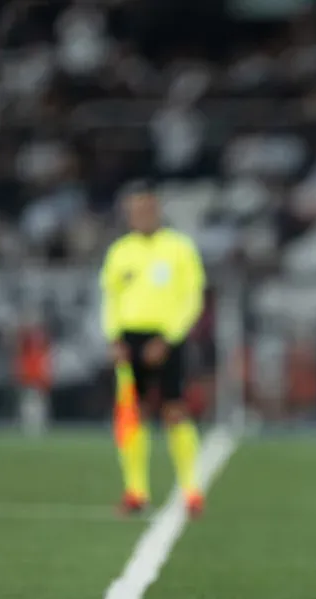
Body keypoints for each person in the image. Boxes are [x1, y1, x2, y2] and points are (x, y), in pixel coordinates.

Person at [99, 180, 208, 518]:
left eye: (146, 209)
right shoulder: (120, 251)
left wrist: (169, 338)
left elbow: (192, 297)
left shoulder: (179, 248)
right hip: (129, 339)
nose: (141, 215)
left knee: (174, 410)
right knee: (133, 414)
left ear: (157, 211)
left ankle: (191, 491)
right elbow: (110, 297)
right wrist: (114, 338)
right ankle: (135, 491)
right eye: (135, 211)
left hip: (167, 338)